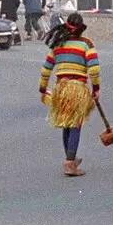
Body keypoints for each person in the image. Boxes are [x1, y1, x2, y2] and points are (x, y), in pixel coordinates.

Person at [39, 11, 101, 177]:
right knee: (75, 125)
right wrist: (96, 89)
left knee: (67, 123)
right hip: (77, 88)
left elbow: (46, 69)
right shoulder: (86, 44)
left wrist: (43, 89)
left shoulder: (58, 45)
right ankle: (70, 163)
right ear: (81, 28)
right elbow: (94, 69)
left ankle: (70, 158)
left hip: (61, 89)